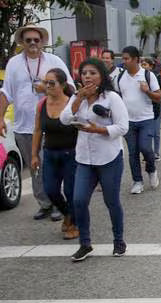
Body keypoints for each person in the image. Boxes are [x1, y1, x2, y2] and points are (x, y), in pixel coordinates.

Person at [0, 24, 75, 221]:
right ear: (22, 43)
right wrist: (0, 118)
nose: (33, 43)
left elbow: (71, 88)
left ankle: (59, 203)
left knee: (52, 166)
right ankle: (45, 203)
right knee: (35, 166)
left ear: (42, 41)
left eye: (36, 39)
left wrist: (47, 88)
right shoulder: (14, 63)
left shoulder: (54, 61)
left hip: (52, 124)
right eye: (28, 40)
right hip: (24, 125)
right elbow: (6, 92)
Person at [60, 58, 129, 262]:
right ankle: (85, 244)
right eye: (84, 73)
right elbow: (64, 119)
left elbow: (123, 127)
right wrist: (78, 98)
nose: (87, 76)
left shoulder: (111, 98)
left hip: (109, 158)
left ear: (101, 76)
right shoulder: (77, 97)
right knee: (79, 200)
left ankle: (118, 241)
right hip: (84, 158)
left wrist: (97, 129)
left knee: (111, 201)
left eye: (92, 72)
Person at [31, 68, 78, 240]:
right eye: (46, 82)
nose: (47, 86)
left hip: (71, 154)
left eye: (52, 83)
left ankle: (73, 223)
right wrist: (34, 155)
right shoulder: (41, 104)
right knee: (50, 190)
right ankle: (67, 213)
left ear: (63, 85)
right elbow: (37, 130)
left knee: (71, 190)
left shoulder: (72, 103)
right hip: (50, 153)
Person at [115, 46, 161, 194]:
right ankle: (137, 181)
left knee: (146, 148)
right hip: (128, 121)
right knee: (133, 152)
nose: (124, 62)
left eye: (126, 59)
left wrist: (147, 90)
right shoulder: (120, 78)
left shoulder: (148, 75)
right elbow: (116, 99)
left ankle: (152, 169)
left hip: (146, 119)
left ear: (136, 60)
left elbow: (159, 96)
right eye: (123, 59)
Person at [141, 57, 161, 160]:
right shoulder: (138, 77)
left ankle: (156, 152)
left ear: (151, 66)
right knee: (146, 133)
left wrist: (152, 94)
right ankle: (147, 153)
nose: (143, 66)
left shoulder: (157, 76)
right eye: (142, 64)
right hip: (143, 108)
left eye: (145, 64)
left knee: (155, 132)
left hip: (155, 107)